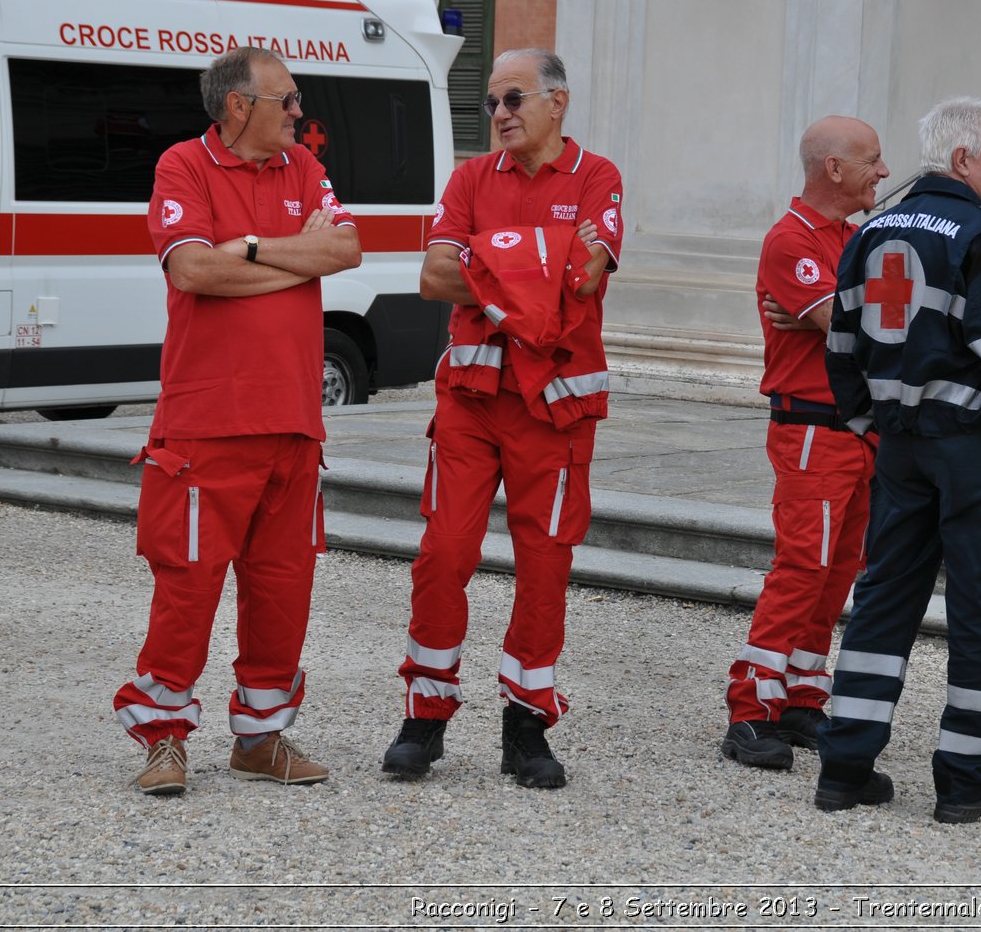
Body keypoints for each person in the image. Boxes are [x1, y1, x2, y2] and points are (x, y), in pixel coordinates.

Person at [113, 46, 363, 796]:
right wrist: (300, 256)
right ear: (236, 107)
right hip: (206, 425)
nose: (299, 112)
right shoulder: (182, 167)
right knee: (188, 591)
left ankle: (261, 738)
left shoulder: (306, 170)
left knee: (283, 592)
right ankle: (162, 737)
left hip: (293, 425)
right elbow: (191, 269)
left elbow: (346, 249)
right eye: (285, 100)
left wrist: (250, 249)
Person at [381, 48, 622, 789]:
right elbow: (432, 275)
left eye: (513, 97)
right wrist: (536, 262)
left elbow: (588, 272)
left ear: (558, 101)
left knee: (545, 568)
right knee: (443, 554)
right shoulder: (469, 178)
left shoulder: (598, 178)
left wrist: (485, 262)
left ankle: (527, 722)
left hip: (555, 411)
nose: (500, 114)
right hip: (472, 403)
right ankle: (426, 713)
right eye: (490, 103)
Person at [817, 96, 981, 824]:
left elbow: (841, 345)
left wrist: (872, 419)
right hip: (976, 449)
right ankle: (963, 780)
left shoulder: (871, 231)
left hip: (900, 449)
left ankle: (845, 765)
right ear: (962, 161)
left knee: (884, 599)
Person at [720, 117, 889, 770]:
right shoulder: (790, 240)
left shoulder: (857, 238)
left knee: (837, 570)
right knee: (803, 568)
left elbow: (880, 322)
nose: (883, 169)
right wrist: (843, 314)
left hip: (854, 429)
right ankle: (749, 708)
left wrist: (838, 312)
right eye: (872, 159)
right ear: (835, 170)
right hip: (814, 427)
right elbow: (866, 328)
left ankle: (798, 695)